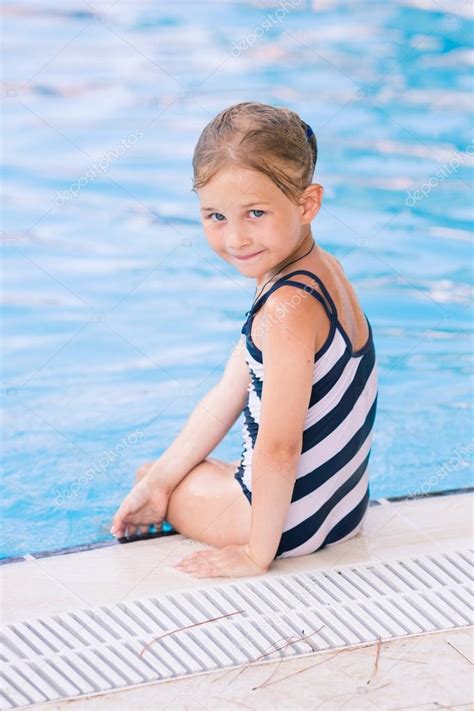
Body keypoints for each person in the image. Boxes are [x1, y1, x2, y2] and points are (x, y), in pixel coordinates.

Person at [110, 101, 378, 579]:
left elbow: (279, 447)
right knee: (161, 478)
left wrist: (257, 553)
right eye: (215, 216)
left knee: (151, 479)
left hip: (290, 528)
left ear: (307, 204)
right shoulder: (318, 270)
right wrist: (161, 480)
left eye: (254, 213)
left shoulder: (286, 307)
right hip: (343, 512)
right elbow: (229, 393)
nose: (236, 238)